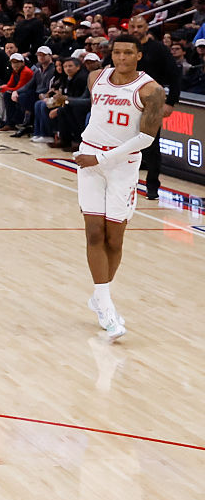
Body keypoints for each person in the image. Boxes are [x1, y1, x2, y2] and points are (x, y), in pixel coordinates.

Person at [73, 34, 165, 341]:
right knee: (94, 232)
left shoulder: (151, 90)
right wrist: (91, 154)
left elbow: (146, 138)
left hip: (121, 165)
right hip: (89, 160)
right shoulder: (95, 77)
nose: (121, 57)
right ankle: (105, 304)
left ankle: (100, 296)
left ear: (139, 56)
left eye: (128, 52)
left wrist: (100, 158)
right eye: (117, 52)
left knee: (114, 237)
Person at [126, 15, 181, 200]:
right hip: (125, 103)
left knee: (151, 146)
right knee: (122, 144)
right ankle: (124, 183)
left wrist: (170, 102)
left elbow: (175, 76)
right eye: (132, 26)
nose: (135, 29)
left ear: (147, 27)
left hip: (151, 104)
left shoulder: (158, 49)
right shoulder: (124, 48)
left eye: (139, 26)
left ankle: (152, 186)